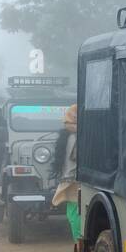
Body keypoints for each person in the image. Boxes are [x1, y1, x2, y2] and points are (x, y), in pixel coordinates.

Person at [51, 104, 81, 243]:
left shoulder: (74, 137)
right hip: (73, 180)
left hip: (75, 181)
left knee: (75, 214)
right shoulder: (76, 135)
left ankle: (79, 243)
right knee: (74, 213)